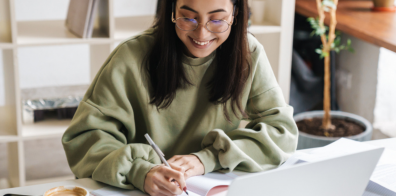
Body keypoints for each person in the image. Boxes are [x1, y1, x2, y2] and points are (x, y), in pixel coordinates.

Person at [62, 0, 298, 195]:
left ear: (235, 14)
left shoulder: (249, 54)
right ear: (171, 11)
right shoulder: (130, 57)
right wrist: (140, 172)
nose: (202, 33)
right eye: (188, 17)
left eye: (217, 19)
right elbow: (84, 141)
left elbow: (282, 132)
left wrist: (207, 159)